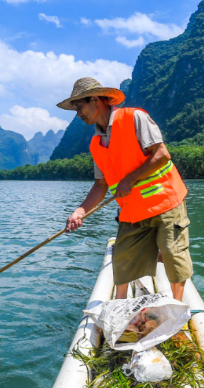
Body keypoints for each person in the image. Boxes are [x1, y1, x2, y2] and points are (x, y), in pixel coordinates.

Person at [59, 77, 194, 301]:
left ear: (95, 100)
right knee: (122, 258)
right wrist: (80, 211)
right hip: (132, 211)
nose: (78, 114)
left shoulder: (134, 118)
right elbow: (100, 185)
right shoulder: (95, 143)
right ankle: (120, 305)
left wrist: (130, 179)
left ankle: (176, 307)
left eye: (79, 107)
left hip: (166, 202)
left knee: (173, 254)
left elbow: (162, 154)